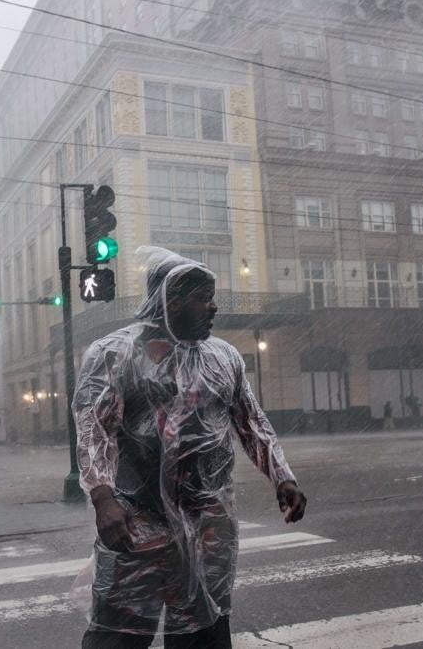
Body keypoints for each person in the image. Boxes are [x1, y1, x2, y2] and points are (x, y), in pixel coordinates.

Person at [73, 246, 307, 648]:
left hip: (207, 525)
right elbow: (95, 429)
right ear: (171, 299)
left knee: (204, 631)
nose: (214, 307)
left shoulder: (223, 357)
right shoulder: (115, 354)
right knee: (118, 637)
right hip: (135, 522)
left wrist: (281, 476)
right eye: (204, 298)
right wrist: (102, 498)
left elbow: (251, 421)